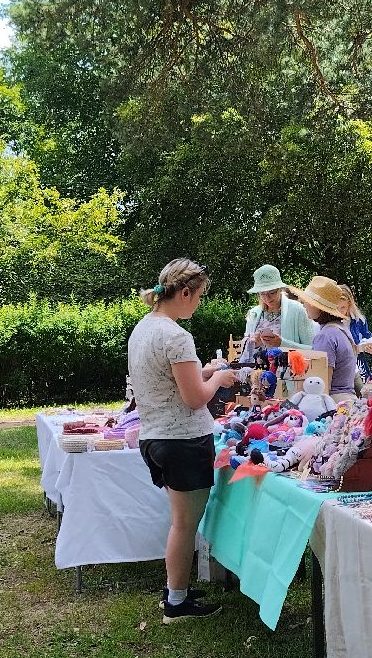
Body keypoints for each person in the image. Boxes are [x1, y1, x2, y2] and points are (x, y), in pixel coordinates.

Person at [128, 258, 239, 622]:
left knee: (179, 520)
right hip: (183, 439)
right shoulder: (177, 336)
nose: (199, 304)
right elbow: (194, 398)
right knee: (184, 524)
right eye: (200, 296)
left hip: (155, 436)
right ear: (186, 292)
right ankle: (176, 602)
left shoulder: (144, 328)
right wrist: (218, 380)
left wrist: (203, 372)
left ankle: (176, 589)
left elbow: (169, 383)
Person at [299, 275, 360, 400]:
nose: (304, 304)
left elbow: (322, 384)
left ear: (318, 307)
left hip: (334, 403)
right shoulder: (342, 329)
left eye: (308, 301)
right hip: (347, 400)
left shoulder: (326, 336)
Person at [240, 264, 317, 360]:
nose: (267, 298)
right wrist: (254, 343)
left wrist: (282, 343)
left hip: (288, 372)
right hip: (257, 372)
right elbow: (244, 348)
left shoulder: (298, 310)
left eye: (272, 292)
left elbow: (313, 350)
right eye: (262, 294)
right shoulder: (253, 313)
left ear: (280, 289)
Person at [344, 285, 372, 385]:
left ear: (350, 304)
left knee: (365, 396)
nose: (341, 310)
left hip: (360, 368)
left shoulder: (359, 320)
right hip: (340, 370)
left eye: (343, 307)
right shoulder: (329, 323)